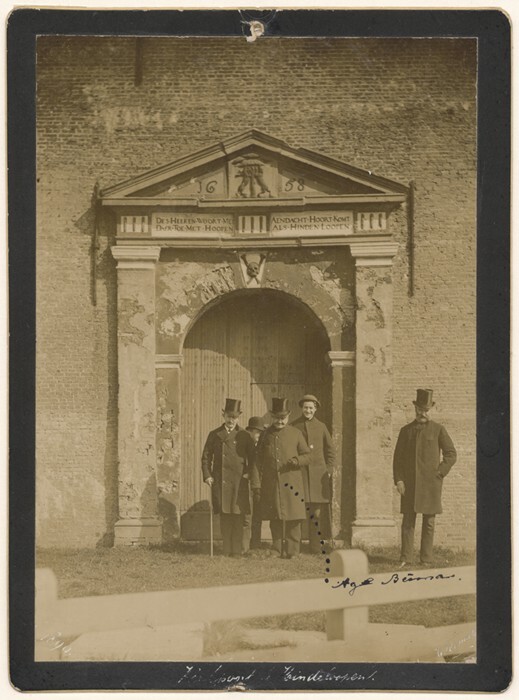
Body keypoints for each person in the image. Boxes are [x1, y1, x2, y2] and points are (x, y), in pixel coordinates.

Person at [393, 389, 457, 567]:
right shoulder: (405, 431)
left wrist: (439, 473)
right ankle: (406, 558)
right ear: (415, 409)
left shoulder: (438, 430)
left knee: (429, 522)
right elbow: (397, 459)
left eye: (426, 410)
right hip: (410, 484)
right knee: (408, 521)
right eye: (420, 409)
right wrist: (399, 480)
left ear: (431, 410)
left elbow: (451, 454)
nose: (423, 413)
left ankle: (426, 558)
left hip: (430, 484)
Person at [201, 398, 257, 557]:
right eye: (228, 416)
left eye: (234, 417)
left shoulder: (245, 435)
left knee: (238, 515)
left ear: (238, 417)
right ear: (223, 415)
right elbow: (206, 457)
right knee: (225, 515)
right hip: (221, 481)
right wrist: (207, 475)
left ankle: (237, 550)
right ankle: (227, 549)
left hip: (239, 481)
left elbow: (253, 458)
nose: (231, 420)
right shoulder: (214, 435)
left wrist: (248, 473)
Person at [257, 398, 311, 559]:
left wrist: (297, 461)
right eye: (276, 418)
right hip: (272, 483)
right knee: (275, 516)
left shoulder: (296, 433)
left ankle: (293, 551)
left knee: (294, 517)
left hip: (292, 482)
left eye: (283, 418)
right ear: (271, 416)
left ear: (288, 416)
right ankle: (277, 549)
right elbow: (258, 459)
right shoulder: (265, 434)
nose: (280, 421)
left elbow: (308, 456)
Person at [291, 394, 335, 554]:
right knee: (298, 511)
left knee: (316, 512)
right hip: (300, 474)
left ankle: (315, 547)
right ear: (301, 408)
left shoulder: (322, 427)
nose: (308, 410)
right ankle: (295, 546)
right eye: (305, 407)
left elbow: (330, 450)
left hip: (318, 476)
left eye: (311, 408)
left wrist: (328, 470)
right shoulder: (294, 426)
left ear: (315, 409)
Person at [245, 416, 266, 550]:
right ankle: (245, 544)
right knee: (247, 516)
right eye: (255, 432)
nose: (258, 435)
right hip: (246, 484)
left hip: (259, 485)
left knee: (257, 515)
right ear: (249, 432)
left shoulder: (263, 446)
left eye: (260, 432)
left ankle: (256, 543)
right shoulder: (245, 445)